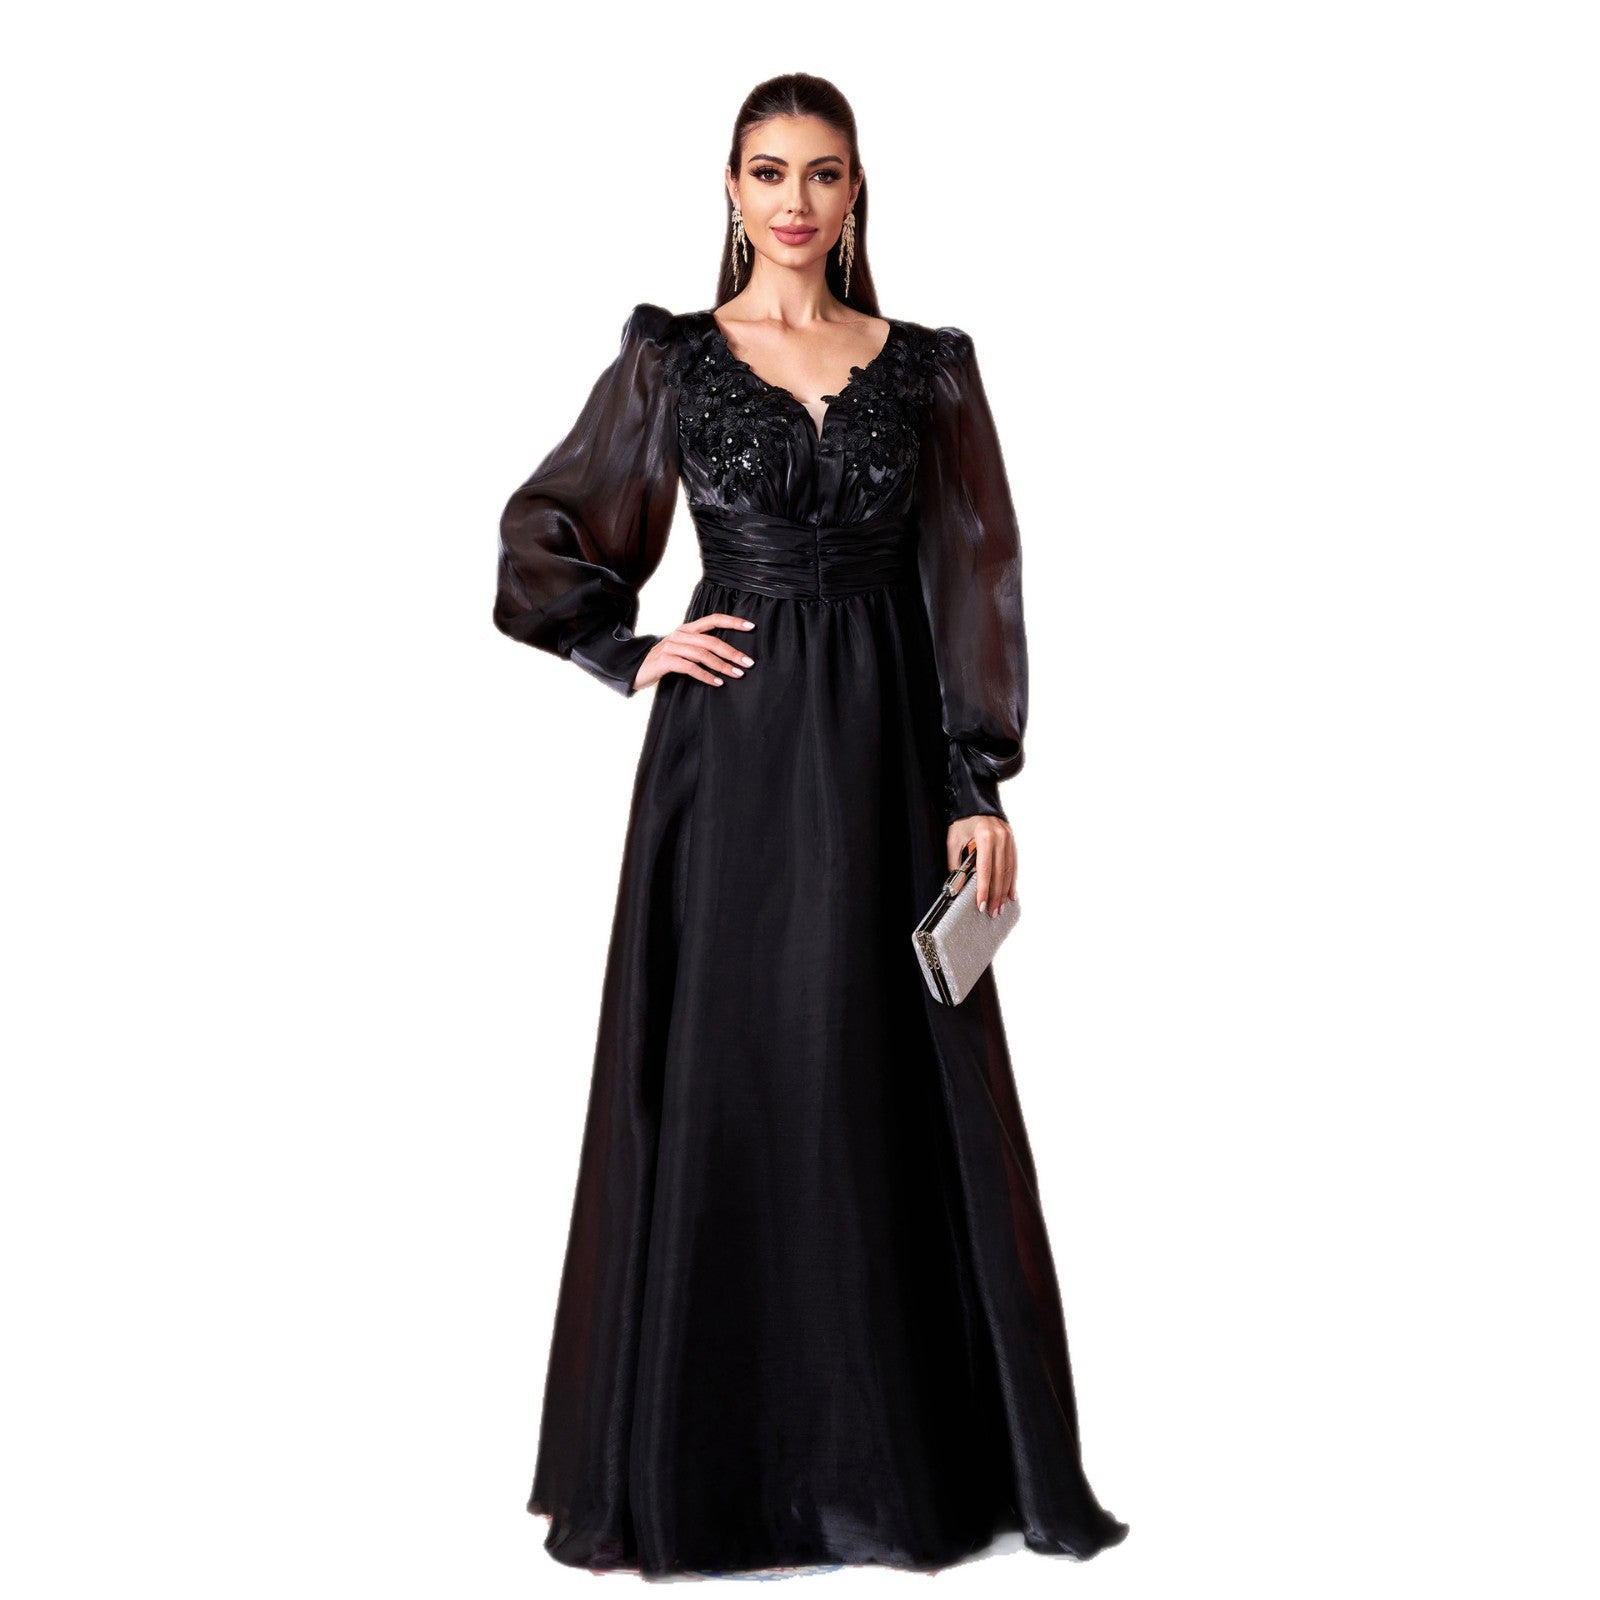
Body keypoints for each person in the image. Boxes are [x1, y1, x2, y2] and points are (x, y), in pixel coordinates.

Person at [492, 71, 1129, 1580]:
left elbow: (974, 576)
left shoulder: (930, 371)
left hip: (890, 754)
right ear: (731, 190)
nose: (795, 200)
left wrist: (978, 784)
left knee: (880, 1069)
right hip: (731, 759)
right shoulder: (673, 359)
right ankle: (707, 1471)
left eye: (823, 172)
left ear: (856, 193)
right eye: (769, 171)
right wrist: (626, 647)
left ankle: (903, 1466)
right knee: (733, 1065)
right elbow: (547, 534)